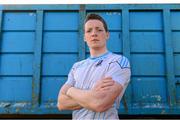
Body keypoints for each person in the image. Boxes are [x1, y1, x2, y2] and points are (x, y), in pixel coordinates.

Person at [57, 13, 131, 119]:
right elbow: (61, 103)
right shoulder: (77, 67)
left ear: (107, 34)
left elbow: (100, 103)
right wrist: (92, 94)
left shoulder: (118, 62)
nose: (94, 34)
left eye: (99, 30)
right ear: (84, 37)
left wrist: (70, 91)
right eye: (89, 31)